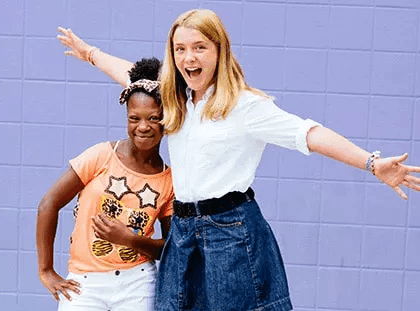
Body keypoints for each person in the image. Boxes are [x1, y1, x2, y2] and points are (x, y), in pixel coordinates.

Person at [57, 8, 420, 311]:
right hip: (183, 234)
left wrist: (372, 164)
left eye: (199, 47)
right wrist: (89, 52)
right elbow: (130, 74)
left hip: (231, 230)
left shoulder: (245, 106)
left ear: (219, 50)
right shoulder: (176, 97)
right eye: (180, 49)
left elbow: (308, 133)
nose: (189, 57)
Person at [36, 57, 174, 311]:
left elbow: (170, 248)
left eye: (153, 118)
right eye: (135, 118)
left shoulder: (169, 180)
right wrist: (46, 270)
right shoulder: (101, 156)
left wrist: (129, 240)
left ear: (166, 121)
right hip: (84, 282)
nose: (143, 127)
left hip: (138, 282)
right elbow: (49, 204)